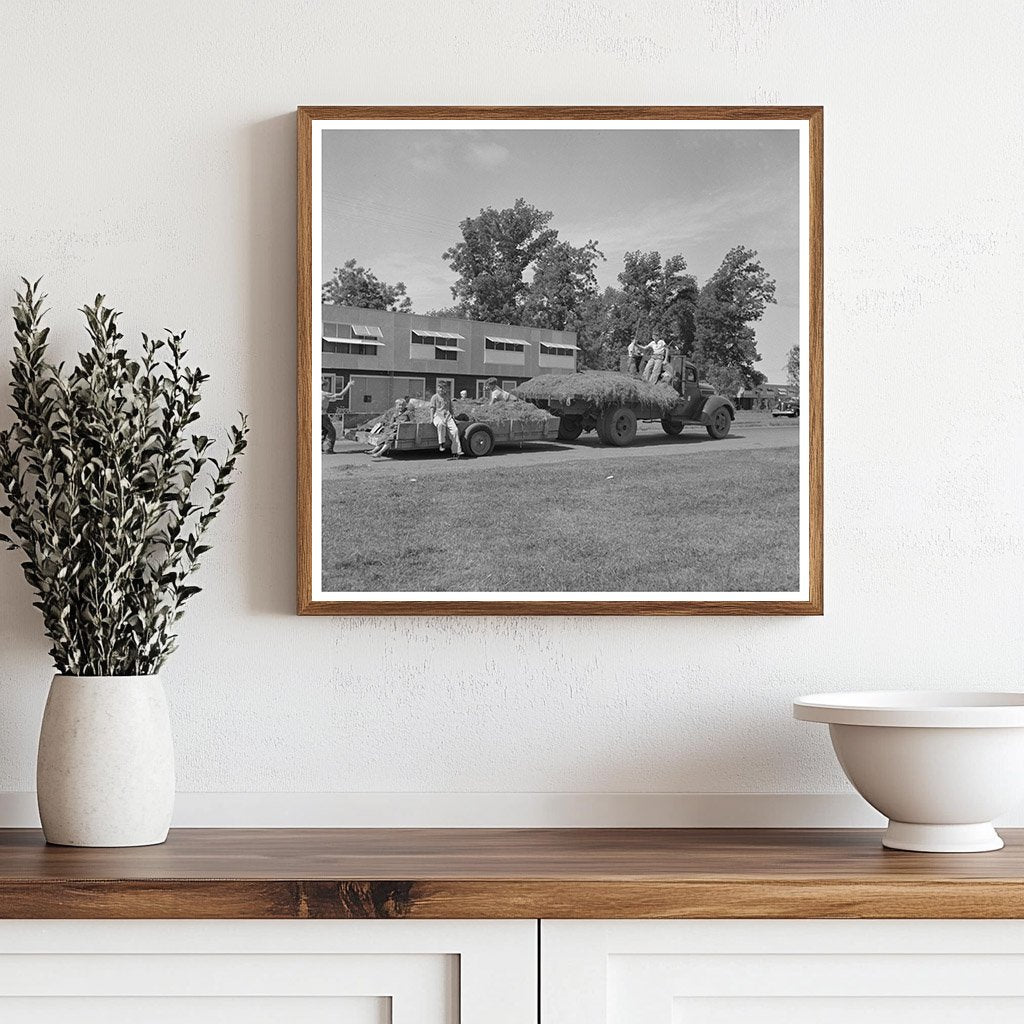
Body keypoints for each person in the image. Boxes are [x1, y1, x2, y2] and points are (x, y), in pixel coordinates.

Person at [428, 380, 462, 458]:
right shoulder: (435, 397)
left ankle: (456, 451)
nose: (442, 390)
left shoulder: (447, 397)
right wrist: (431, 418)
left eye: (444, 388)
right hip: (438, 415)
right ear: (438, 388)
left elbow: (450, 408)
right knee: (441, 424)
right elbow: (432, 408)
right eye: (440, 388)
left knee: (455, 431)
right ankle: (441, 443)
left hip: (447, 416)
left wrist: (453, 416)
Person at [321, 380, 352, 453]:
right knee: (332, 431)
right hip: (322, 415)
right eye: (327, 386)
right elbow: (340, 395)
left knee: (324, 431)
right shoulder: (325, 394)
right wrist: (348, 385)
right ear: (324, 386)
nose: (328, 388)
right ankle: (329, 449)